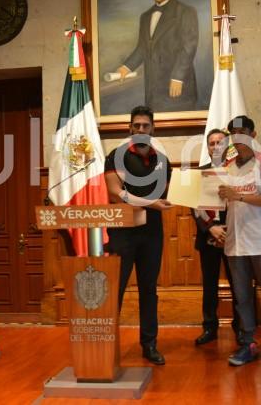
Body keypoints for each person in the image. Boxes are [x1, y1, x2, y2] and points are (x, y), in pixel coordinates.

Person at [218, 115, 261, 370]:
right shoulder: (225, 165)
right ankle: (248, 343)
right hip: (236, 242)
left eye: (243, 132)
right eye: (233, 133)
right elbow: (215, 200)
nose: (238, 137)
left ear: (253, 134)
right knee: (242, 298)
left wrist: (240, 196)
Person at [104, 106, 172, 365]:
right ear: (130, 129)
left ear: (152, 129)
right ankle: (107, 346)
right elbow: (114, 193)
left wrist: (154, 202)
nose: (141, 130)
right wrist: (151, 203)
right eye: (137, 126)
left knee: (149, 289)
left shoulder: (163, 161)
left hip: (152, 232)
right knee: (115, 290)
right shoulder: (115, 156)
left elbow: (163, 194)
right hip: (122, 232)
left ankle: (149, 344)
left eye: (145, 126)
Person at [117, 0, 199, 112]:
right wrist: (126, 67)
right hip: (153, 87)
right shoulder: (145, 16)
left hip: (176, 85)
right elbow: (142, 48)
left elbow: (189, 47)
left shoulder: (186, 11)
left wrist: (178, 77)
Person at [192, 129, 241, 346]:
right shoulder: (200, 173)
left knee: (238, 284)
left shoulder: (238, 172)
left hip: (234, 235)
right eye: (211, 143)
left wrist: (228, 229)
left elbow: (242, 202)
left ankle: (241, 327)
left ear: (228, 146)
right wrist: (210, 227)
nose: (215, 146)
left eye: (220, 142)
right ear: (208, 148)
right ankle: (209, 327)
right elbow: (195, 205)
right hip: (209, 237)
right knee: (209, 285)